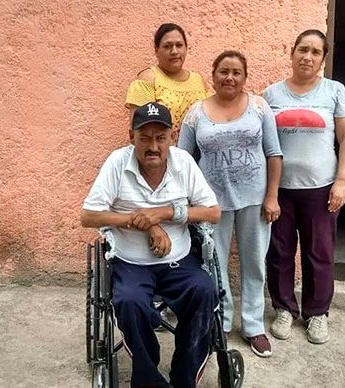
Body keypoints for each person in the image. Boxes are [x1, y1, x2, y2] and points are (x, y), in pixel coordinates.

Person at [81, 102, 221, 388]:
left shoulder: (183, 162)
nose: (153, 146)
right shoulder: (118, 163)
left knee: (205, 291)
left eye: (160, 137)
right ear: (131, 136)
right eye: (144, 137)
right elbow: (89, 215)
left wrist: (165, 213)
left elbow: (212, 212)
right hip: (131, 263)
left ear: (172, 136)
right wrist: (142, 222)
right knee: (129, 302)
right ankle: (148, 380)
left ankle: (184, 377)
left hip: (179, 259)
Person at [178, 50, 283, 358]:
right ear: (213, 75)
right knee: (214, 265)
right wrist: (189, 202)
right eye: (224, 71)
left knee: (254, 263)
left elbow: (274, 153)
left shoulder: (260, 108)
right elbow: (183, 160)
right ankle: (220, 323)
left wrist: (272, 196)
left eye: (236, 72)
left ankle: (253, 327)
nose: (230, 77)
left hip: (254, 199)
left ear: (245, 77)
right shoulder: (196, 113)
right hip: (211, 203)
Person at [264, 29, 345, 344]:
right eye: (303, 49)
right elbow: (263, 142)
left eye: (316, 52)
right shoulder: (272, 94)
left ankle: (317, 314)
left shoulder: (334, 91)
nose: (308, 57)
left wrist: (341, 182)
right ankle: (283, 309)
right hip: (280, 189)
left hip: (321, 188)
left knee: (320, 253)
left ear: (323, 59)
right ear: (291, 53)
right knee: (279, 251)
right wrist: (268, 192)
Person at [125, 23, 210, 138]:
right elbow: (138, 132)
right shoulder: (148, 79)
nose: (174, 51)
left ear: (186, 48)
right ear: (156, 50)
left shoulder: (198, 81)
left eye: (179, 45)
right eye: (167, 46)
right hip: (162, 153)